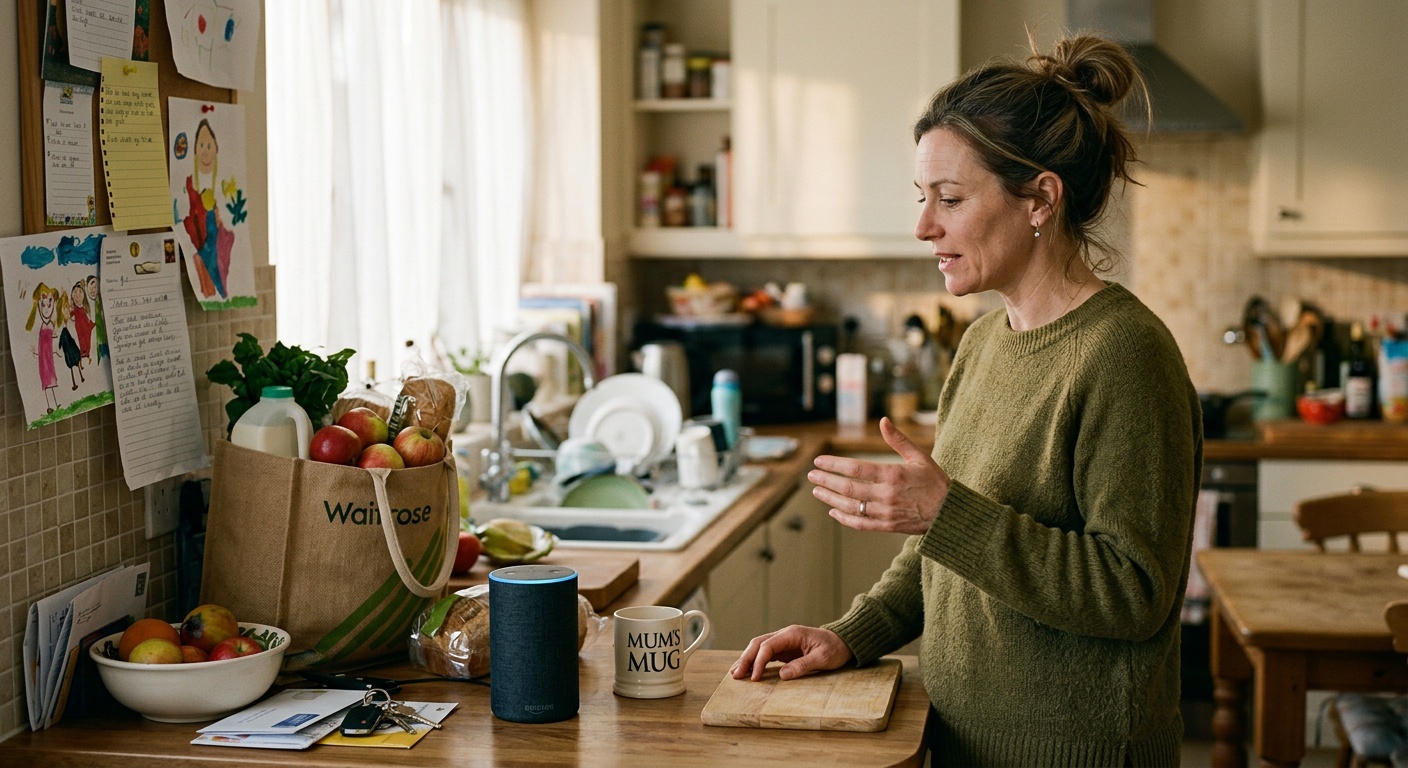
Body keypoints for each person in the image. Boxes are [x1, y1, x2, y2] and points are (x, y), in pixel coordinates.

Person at [731, 35, 1202, 767]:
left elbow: (1133, 592)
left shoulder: (1124, 355)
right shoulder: (983, 343)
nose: (924, 226)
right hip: (956, 739)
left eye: (949, 199)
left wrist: (944, 512)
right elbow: (944, 551)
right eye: (923, 199)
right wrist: (850, 634)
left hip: (1076, 754)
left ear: (1041, 199)